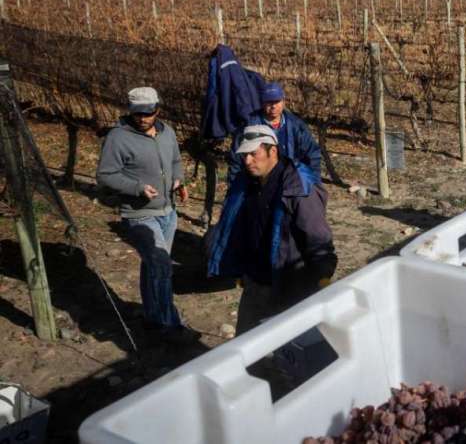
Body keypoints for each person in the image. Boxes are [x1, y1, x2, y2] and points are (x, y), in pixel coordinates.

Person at [209, 125, 337, 334]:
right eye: (244, 155)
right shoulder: (245, 183)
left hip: (289, 284)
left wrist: (323, 273)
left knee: (291, 346)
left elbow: (317, 235)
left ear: (273, 151)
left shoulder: (298, 186)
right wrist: (239, 266)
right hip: (254, 281)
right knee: (247, 347)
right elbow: (237, 227)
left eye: (253, 154)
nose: (247, 161)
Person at [96, 87, 198, 343]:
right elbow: (105, 175)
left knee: (153, 266)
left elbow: (175, 161)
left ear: (158, 110)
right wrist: (137, 188)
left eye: (148, 113)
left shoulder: (168, 133)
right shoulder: (118, 138)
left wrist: (179, 180)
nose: (142, 118)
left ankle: (153, 317)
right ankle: (170, 325)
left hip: (168, 212)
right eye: (137, 113)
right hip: (139, 214)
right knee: (162, 266)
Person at [226, 82, 321, 187]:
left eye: (277, 101)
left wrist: (313, 182)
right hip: (256, 182)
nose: (273, 106)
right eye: (269, 102)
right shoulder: (249, 126)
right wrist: (234, 187)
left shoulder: (296, 125)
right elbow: (236, 160)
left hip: (289, 181)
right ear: (262, 103)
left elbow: (312, 154)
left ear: (284, 101)